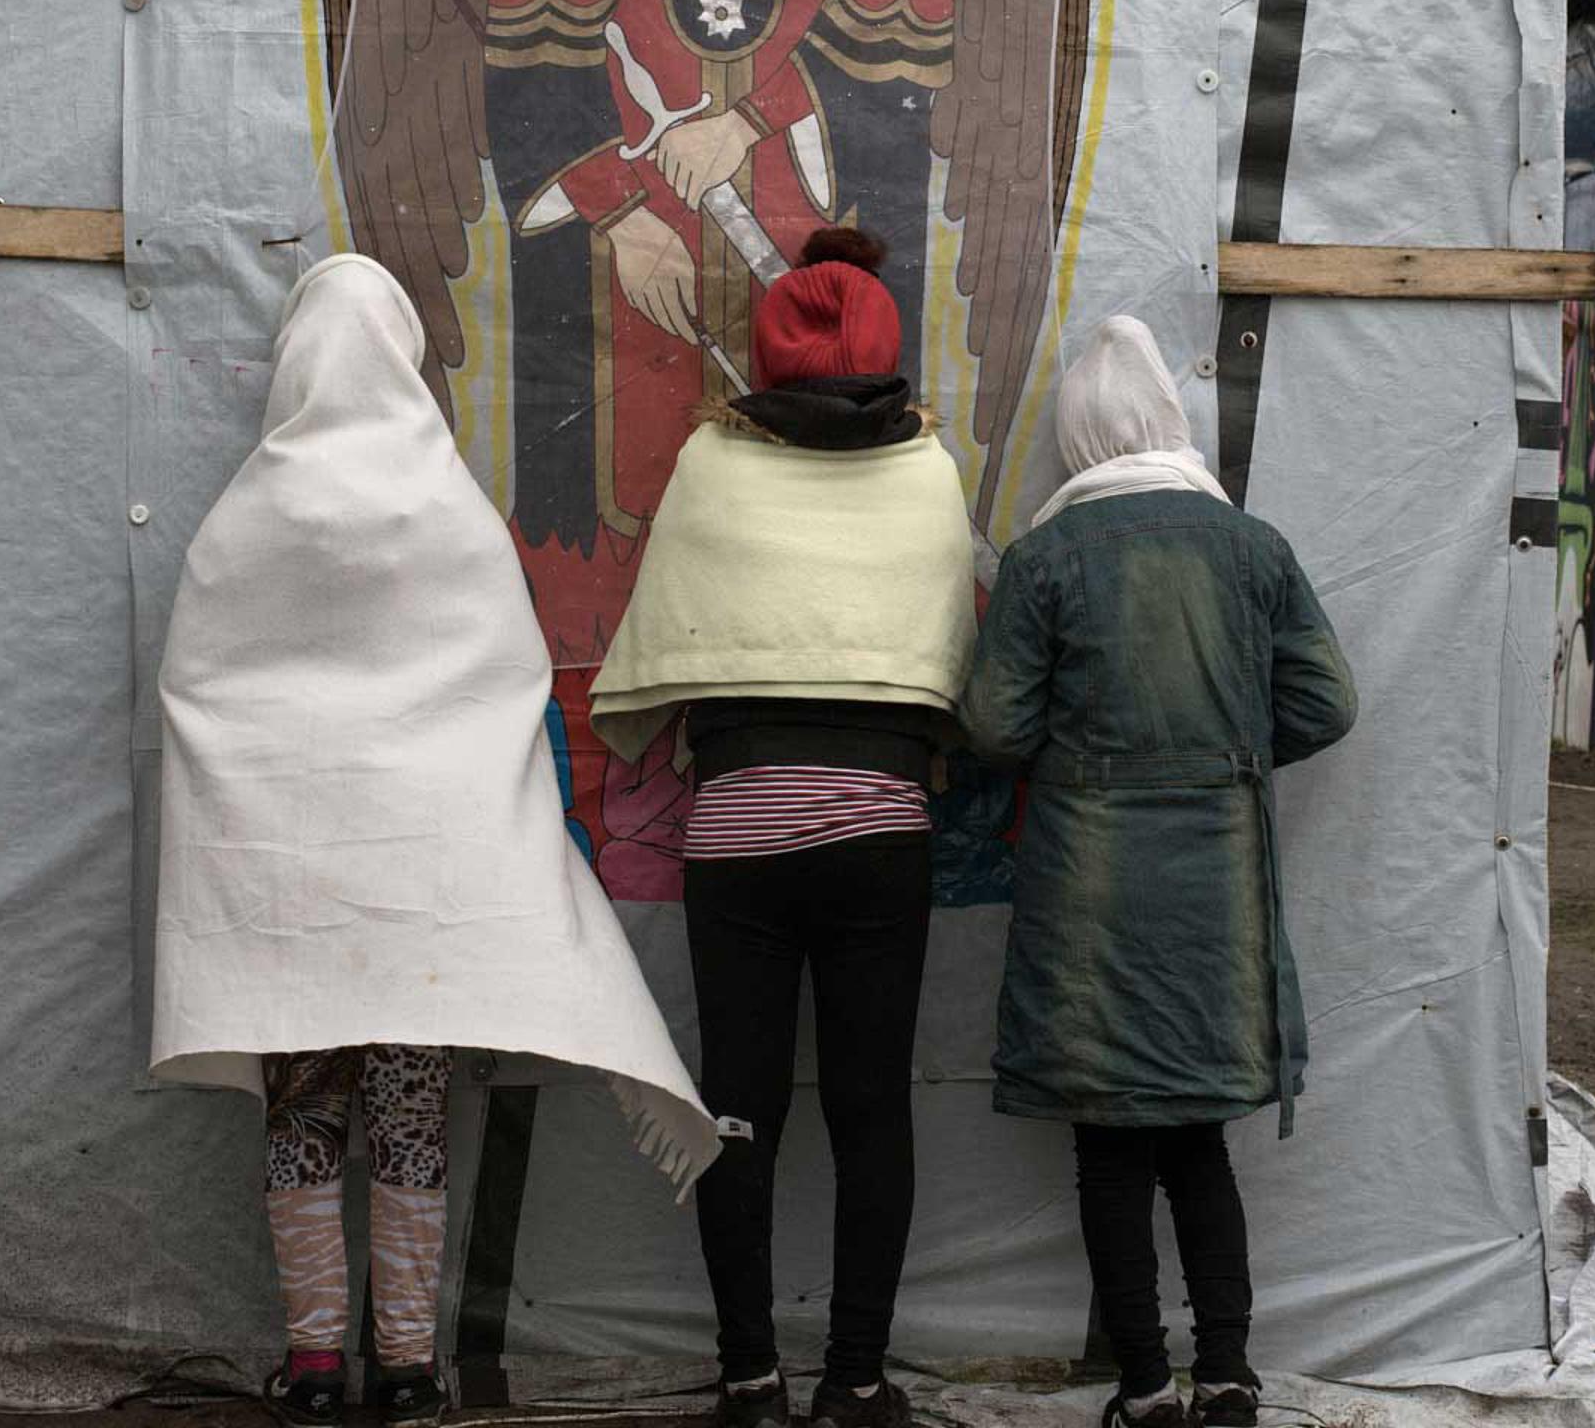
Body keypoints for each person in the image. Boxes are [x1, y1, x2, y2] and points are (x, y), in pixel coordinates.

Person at [151, 254, 721, 1423]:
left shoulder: (244, 518)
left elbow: (200, 699)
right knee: (412, 1122)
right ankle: (408, 1369)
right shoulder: (451, 513)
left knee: (302, 1117)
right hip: (424, 908)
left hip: (289, 897)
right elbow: (504, 696)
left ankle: (315, 1369)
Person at [590, 226, 981, 1428]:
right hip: (876, 826)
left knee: (738, 1105)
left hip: (741, 831)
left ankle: (750, 1379)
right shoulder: (927, 471)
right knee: (873, 1111)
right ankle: (857, 1383)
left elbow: (662, 657)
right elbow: (954, 665)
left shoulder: (714, 460)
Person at [963, 317, 1358, 1428]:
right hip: (1218, 882)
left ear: (1078, 439)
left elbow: (994, 727)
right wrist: (1221, 758)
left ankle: (1143, 1389)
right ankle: (1229, 1375)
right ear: (1169, 423)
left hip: (1088, 882)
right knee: (1197, 1139)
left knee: (1110, 1146)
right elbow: (1328, 704)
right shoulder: (1252, 548)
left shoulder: (1046, 558)